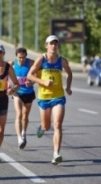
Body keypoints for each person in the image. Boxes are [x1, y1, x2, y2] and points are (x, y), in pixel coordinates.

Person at [27, 35, 72, 165]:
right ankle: (42, 126)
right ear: (46, 45)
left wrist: (68, 87)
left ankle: (56, 153)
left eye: (55, 44)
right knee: (47, 126)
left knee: (57, 125)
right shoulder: (41, 59)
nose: (53, 46)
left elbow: (69, 73)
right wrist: (43, 81)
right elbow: (30, 75)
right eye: (51, 44)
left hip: (58, 96)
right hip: (44, 97)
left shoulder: (62, 61)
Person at [8, 47, 35, 149]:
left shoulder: (31, 63)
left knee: (25, 116)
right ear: (16, 56)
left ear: (26, 56)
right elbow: (5, 74)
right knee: (19, 114)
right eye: (19, 57)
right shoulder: (12, 63)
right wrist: (9, 86)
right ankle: (19, 138)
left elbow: (38, 75)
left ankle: (24, 132)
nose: (21, 59)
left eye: (23, 57)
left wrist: (32, 82)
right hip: (17, 92)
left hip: (29, 92)